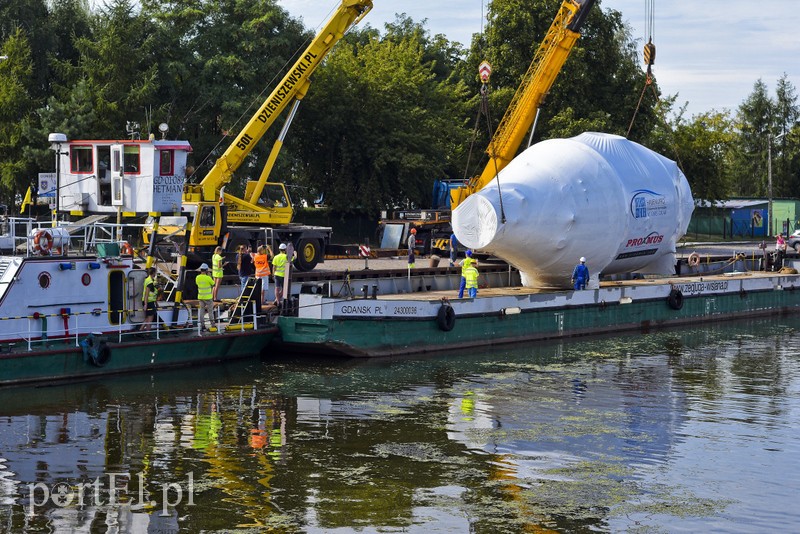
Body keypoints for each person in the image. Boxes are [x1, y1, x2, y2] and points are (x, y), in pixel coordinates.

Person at [195, 263, 215, 331]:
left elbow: (197, 284)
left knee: (201, 311)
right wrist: (210, 276)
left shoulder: (197, 277)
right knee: (210, 311)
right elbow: (213, 284)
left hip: (200, 297)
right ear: (206, 270)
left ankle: (202, 326)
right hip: (208, 297)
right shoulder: (208, 278)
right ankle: (213, 325)